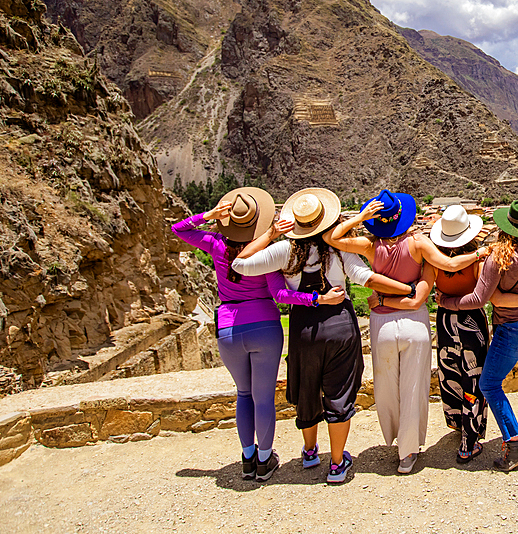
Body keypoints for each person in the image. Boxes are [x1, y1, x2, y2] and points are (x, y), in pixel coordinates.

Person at [231, 188, 411, 484]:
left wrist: (271, 234)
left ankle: (310, 451)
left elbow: (240, 264)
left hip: (304, 328)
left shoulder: (285, 251)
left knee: (307, 388)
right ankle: (337, 464)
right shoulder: (339, 250)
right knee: (338, 392)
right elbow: (365, 278)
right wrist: (406, 289)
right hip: (339, 325)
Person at [373, 204, 518, 464]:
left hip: (445, 321)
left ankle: (459, 426)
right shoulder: (479, 260)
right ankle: (470, 440)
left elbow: (424, 293)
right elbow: (482, 298)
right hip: (471, 323)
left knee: (450, 373)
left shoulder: (434, 261)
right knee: (473, 379)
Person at [326, 190, 484, 474]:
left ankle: (395, 437)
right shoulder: (418, 243)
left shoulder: (369, 245)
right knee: (414, 387)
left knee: (388, 387)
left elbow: (332, 238)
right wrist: (479, 253)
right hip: (414, 323)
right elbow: (447, 265)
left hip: (382, 324)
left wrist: (359, 218)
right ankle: (408, 453)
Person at [172, 187, 317, 482]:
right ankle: (265, 460)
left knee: (243, 394)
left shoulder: (215, 245)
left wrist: (208, 216)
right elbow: (280, 294)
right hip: (264, 325)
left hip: (228, 328)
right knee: (263, 398)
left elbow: (179, 229)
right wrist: (314, 299)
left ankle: (248, 457)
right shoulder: (264, 255)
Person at [438, 194, 518, 472]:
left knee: (490, 384)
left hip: (513, 327)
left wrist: (447, 302)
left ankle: (515, 444)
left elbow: (479, 299)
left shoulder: (499, 258)